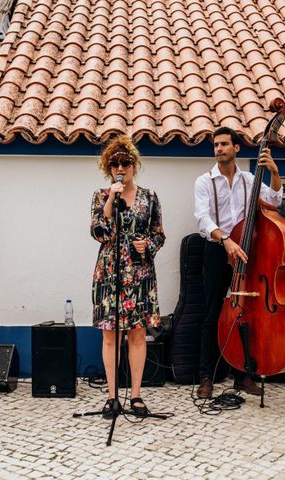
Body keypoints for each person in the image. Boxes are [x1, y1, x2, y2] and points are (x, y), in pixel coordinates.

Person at [193, 126, 284, 399]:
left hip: (248, 250)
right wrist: (226, 241)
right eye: (216, 145)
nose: (219, 149)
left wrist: (275, 173)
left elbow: (274, 200)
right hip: (217, 250)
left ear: (236, 148)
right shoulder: (204, 182)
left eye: (224, 144)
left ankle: (244, 375)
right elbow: (202, 218)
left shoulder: (248, 179)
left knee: (248, 312)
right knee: (211, 314)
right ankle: (206, 376)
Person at [90, 135, 165, 417]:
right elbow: (99, 231)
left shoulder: (150, 197)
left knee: (137, 335)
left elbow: (160, 235)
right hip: (110, 273)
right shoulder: (101, 196)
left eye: (126, 162)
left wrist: (147, 246)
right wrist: (111, 197)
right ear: (108, 168)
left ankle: (135, 395)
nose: (121, 167)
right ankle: (112, 397)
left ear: (135, 164)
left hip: (140, 274)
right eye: (114, 164)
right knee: (110, 336)